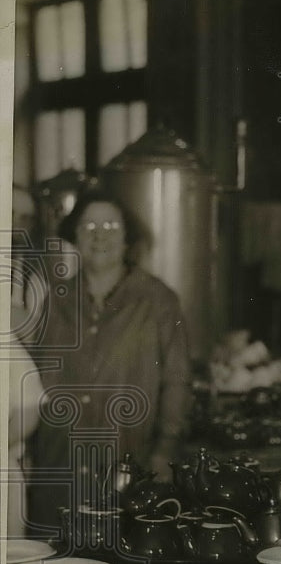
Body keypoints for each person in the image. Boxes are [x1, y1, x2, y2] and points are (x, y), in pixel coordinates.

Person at [26, 189, 192, 533]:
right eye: (89, 226)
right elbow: (32, 381)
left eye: (111, 225)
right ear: (74, 236)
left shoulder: (158, 300)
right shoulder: (54, 301)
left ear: (127, 236)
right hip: (59, 474)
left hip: (129, 469)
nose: (99, 234)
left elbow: (177, 381)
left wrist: (164, 454)